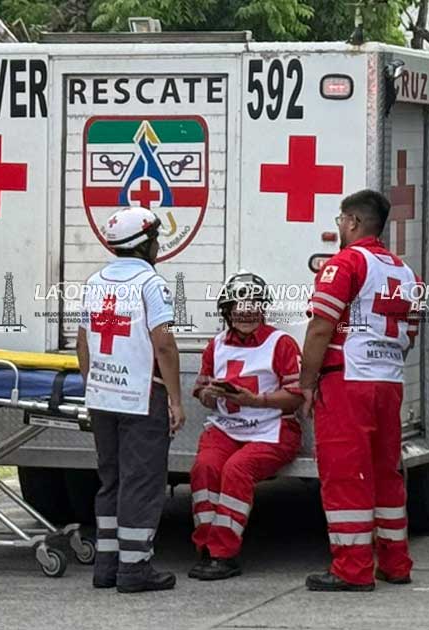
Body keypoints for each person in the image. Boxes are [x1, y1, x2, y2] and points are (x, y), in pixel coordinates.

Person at [299, 189, 421, 592]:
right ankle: (395, 562)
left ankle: (351, 569)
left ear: (352, 222)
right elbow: (411, 333)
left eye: (340, 221)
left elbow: (320, 327)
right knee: (386, 474)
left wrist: (305, 383)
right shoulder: (404, 271)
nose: (338, 228)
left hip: (347, 382)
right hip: (388, 382)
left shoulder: (345, 263)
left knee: (346, 474)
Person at [76, 206, 185, 594]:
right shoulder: (151, 284)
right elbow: (165, 345)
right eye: (156, 239)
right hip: (141, 395)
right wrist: (175, 399)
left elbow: (83, 342)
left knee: (112, 479)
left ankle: (106, 566)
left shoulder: (95, 281)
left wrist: (93, 386)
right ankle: (135, 568)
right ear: (146, 244)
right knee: (141, 482)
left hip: (103, 396)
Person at [187, 271, 303, 581]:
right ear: (226, 311)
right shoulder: (216, 345)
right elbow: (200, 391)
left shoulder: (282, 343)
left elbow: (296, 398)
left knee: (237, 470)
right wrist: (208, 395)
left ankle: (224, 554)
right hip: (227, 427)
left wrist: (255, 400)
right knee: (205, 467)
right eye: (239, 307)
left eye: (254, 306)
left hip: (274, 429)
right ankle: (207, 547)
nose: (247, 313)